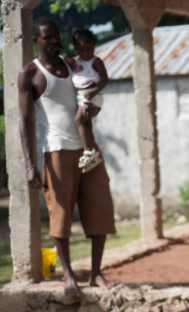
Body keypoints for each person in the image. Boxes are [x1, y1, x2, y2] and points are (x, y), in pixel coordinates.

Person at [18, 17, 117, 296]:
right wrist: (30, 164)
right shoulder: (30, 74)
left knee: (100, 206)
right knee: (60, 215)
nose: (54, 41)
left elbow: (91, 88)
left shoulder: (71, 63)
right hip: (57, 150)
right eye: (47, 37)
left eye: (57, 36)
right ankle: (69, 276)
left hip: (87, 147)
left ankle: (96, 272)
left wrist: (94, 107)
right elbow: (25, 122)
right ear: (35, 40)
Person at [65, 29, 109, 172]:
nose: (86, 53)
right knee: (86, 123)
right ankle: (92, 151)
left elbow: (105, 80)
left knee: (78, 121)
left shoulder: (95, 61)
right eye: (82, 50)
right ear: (76, 48)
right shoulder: (74, 61)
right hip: (81, 97)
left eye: (89, 49)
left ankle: (88, 151)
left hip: (92, 96)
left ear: (94, 45)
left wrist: (94, 91)